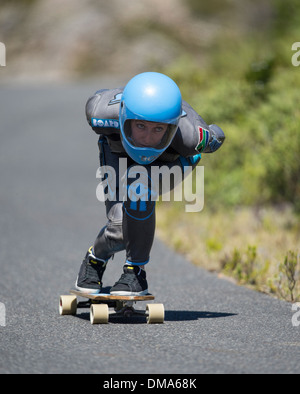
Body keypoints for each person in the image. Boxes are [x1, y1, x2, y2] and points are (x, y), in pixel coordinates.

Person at [75, 72, 225, 296]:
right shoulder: (99, 112)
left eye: (158, 129)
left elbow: (218, 136)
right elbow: (97, 97)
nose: (147, 138)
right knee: (118, 227)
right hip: (117, 148)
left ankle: (135, 272)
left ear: (172, 127)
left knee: (139, 187)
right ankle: (95, 259)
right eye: (140, 126)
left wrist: (210, 139)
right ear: (124, 117)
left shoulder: (192, 136)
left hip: (172, 159)